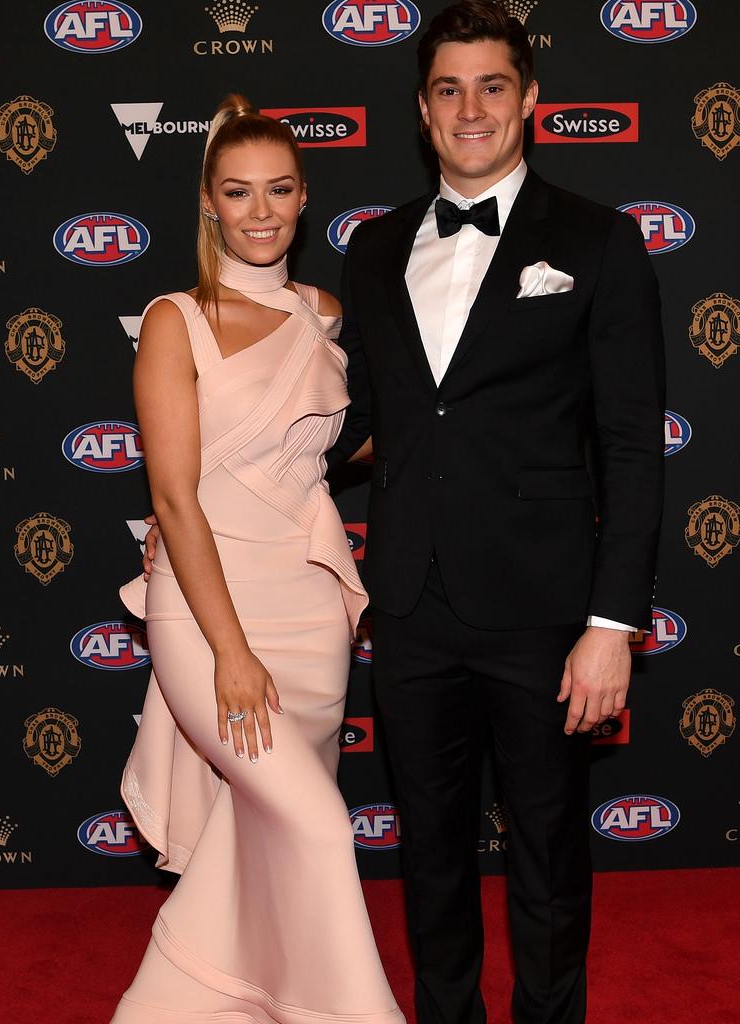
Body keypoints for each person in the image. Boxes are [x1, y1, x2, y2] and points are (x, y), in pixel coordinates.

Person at [326, 3, 665, 1024]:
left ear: (529, 104)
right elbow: (357, 425)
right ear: (422, 112)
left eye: (491, 86)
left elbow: (631, 448)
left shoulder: (600, 242)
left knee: (550, 852)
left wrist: (611, 627)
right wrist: (212, 486)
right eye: (446, 88)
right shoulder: (376, 249)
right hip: (414, 603)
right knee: (429, 851)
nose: (469, 108)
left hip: (544, 608)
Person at [111, 95, 404, 1024]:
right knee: (317, 826)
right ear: (210, 203)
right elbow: (174, 500)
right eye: (239, 193)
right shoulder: (173, 320)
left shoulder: (325, 314)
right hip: (209, 612)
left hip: (311, 606)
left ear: (305, 195)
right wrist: (231, 649)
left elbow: (324, 447)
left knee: (259, 832)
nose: (261, 210)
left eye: (279, 189)